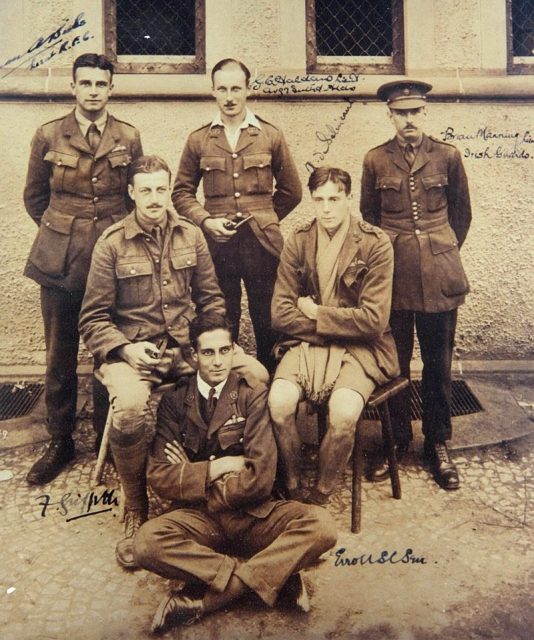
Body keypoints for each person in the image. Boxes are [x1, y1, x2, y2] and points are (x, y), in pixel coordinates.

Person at [79, 155, 268, 569]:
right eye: (144, 190)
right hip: (133, 353)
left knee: (256, 375)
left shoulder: (190, 235)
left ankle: (255, 490)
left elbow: (211, 298)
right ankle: (136, 502)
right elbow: (91, 318)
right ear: (131, 193)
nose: (154, 198)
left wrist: (212, 345)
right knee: (129, 407)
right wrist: (126, 349)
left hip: (187, 347)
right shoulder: (111, 243)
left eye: (161, 189)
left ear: (170, 191)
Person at [133, 312, 337, 633]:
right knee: (145, 543)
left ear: (233, 351)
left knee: (322, 526)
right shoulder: (174, 402)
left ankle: (218, 594)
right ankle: (269, 574)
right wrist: (220, 466)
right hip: (201, 521)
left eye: (225, 351)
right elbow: (159, 476)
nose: (218, 362)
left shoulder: (252, 394)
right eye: (209, 353)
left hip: (253, 515)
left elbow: (261, 478)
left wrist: (194, 475)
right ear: (193, 355)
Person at [23, 53, 143, 486]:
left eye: (100, 83)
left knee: (107, 349)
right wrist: (63, 233)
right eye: (85, 83)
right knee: (60, 354)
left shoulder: (128, 136)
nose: (93, 90)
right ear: (74, 87)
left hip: (111, 260)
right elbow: (34, 198)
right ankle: (60, 440)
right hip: (58, 261)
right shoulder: (49, 134)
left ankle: (104, 440)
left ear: (111, 89)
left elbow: (133, 198)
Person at [360, 80, 472, 490]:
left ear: (425, 114)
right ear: (389, 116)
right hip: (392, 277)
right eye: (400, 113)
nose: (409, 120)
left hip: (440, 277)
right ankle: (397, 441)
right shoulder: (375, 160)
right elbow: (369, 218)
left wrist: (440, 252)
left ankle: (438, 444)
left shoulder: (447, 155)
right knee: (394, 365)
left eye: (415, 112)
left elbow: (461, 215)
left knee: (438, 365)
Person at [268, 167, 399, 505]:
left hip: (363, 349)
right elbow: (280, 313)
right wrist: (331, 328)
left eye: (334, 199)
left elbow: (372, 321)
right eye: (319, 200)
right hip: (308, 344)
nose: (326, 208)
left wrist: (317, 313)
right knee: (279, 402)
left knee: (342, 414)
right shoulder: (298, 240)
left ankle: (322, 491)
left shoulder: (375, 243)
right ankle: (294, 482)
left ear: (348, 199)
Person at [172, 58, 302, 372]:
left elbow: (292, 191)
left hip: (263, 247)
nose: (229, 97)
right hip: (218, 246)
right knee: (220, 318)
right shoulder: (200, 139)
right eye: (222, 89)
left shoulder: (269, 135)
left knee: (268, 320)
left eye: (236, 88)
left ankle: (269, 394)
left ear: (247, 89)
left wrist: (265, 217)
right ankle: (228, 396)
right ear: (213, 92)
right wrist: (206, 221)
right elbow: (181, 193)